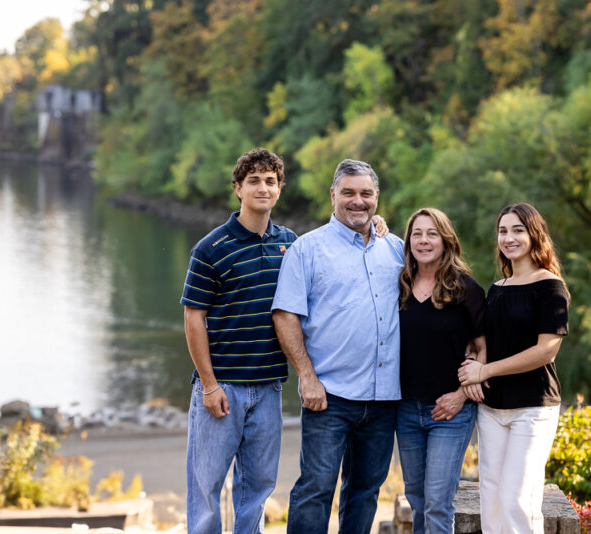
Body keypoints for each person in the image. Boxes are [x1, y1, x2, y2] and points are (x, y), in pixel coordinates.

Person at [271, 158, 405, 534]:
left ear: (377, 197)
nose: (357, 201)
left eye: (366, 193)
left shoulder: (396, 248)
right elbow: (285, 315)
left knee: (365, 491)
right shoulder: (307, 249)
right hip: (329, 396)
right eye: (348, 193)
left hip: (384, 398)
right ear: (333, 195)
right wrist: (307, 377)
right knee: (315, 490)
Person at [180, 148, 296, 534]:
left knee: (257, 489)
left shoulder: (291, 244)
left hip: (269, 387)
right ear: (238, 189)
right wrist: (209, 385)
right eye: (254, 181)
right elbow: (193, 318)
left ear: (279, 189)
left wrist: (373, 227)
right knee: (206, 488)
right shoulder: (211, 248)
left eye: (270, 181)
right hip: (222, 388)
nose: (263, 188)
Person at [458, 202, 570, 534]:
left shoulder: (551, 286)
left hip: (532, 408)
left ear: (535, 235)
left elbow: (546, 351)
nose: (509, 238)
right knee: (491, 501)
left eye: (518, 230)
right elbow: (484, 342)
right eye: (503, 231)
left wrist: (486, 371)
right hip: (492, 408)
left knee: (518, 501)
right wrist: (474, 364)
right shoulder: (497, 289)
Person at [396, 207, 486, 534]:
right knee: (417, 499)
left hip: (451, 411)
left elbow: (483, 349)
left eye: (432, 234)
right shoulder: (400, 285)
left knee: (437, 502)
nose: (424, 240)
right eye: (417, 234)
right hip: (406, 409)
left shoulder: (466, 289)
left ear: (446, 240)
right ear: (408, 241)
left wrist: (461, 395)